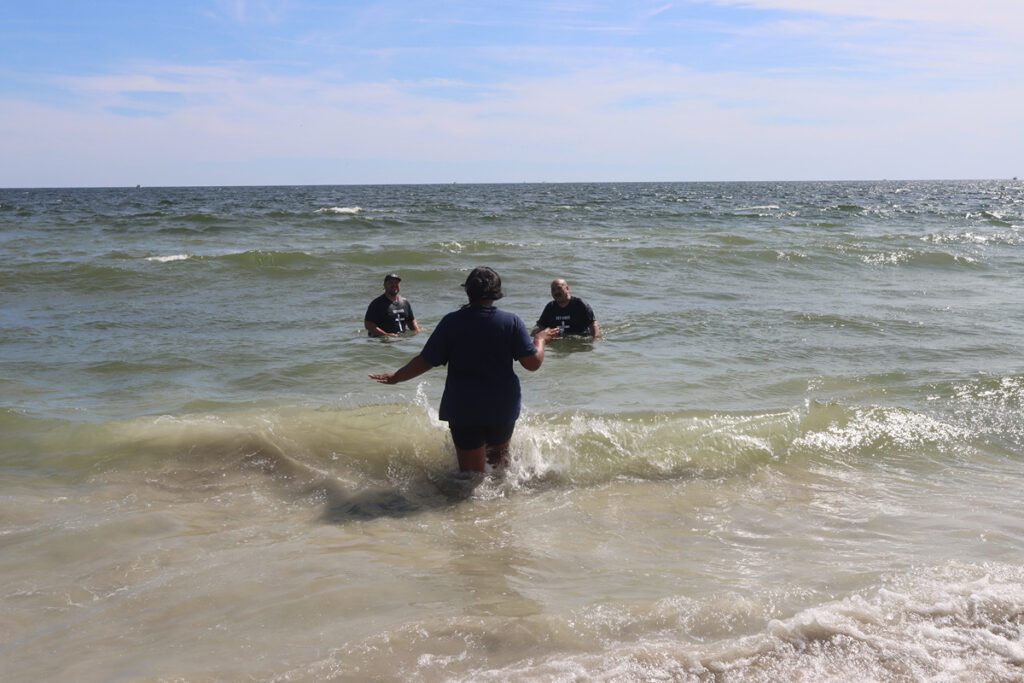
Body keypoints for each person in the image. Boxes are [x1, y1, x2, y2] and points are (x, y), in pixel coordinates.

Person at [370, 267, 558, 472]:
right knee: (500, 469)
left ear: (468, 291)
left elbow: (426, 361)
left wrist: (397, 377)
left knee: (470, 478)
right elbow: (532, 364)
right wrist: (540, 340)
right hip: (501, 406)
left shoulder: (451, 322)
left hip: (463, 408)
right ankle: (504, 504)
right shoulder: (511, 321)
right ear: (497, 292)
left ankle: (465, 504)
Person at [531, 278, 600, 338]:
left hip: (579, 340)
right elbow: (540, 327)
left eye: (559, 288)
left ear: (567, 288)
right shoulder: (550, 307)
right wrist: (531, 339)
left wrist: (595, 340)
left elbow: (593, 324)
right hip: (558, 342)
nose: (556, 292)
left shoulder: (580, 305)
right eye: (553, 290)